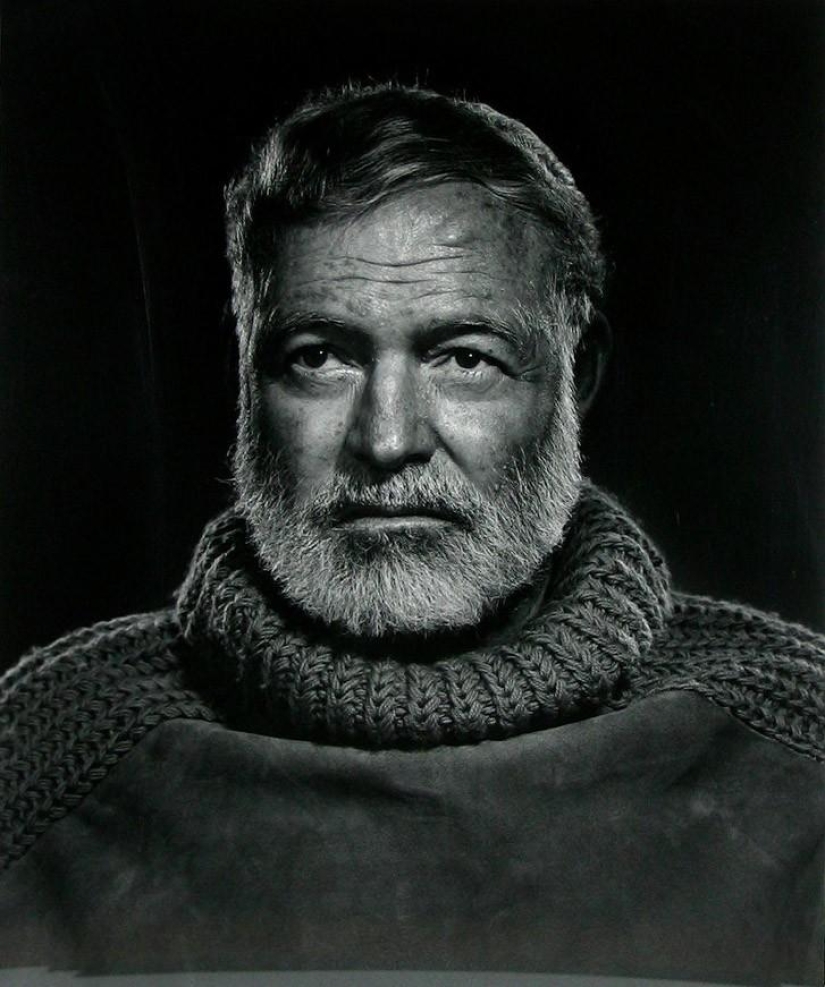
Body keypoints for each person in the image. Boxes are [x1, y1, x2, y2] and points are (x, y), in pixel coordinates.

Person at [0, 83, 823, 985]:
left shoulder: (797, 754)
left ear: (574, 376)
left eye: (464, 358)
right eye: (319, 356)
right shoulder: (45, 758)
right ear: (246, 382)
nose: (387, 439)